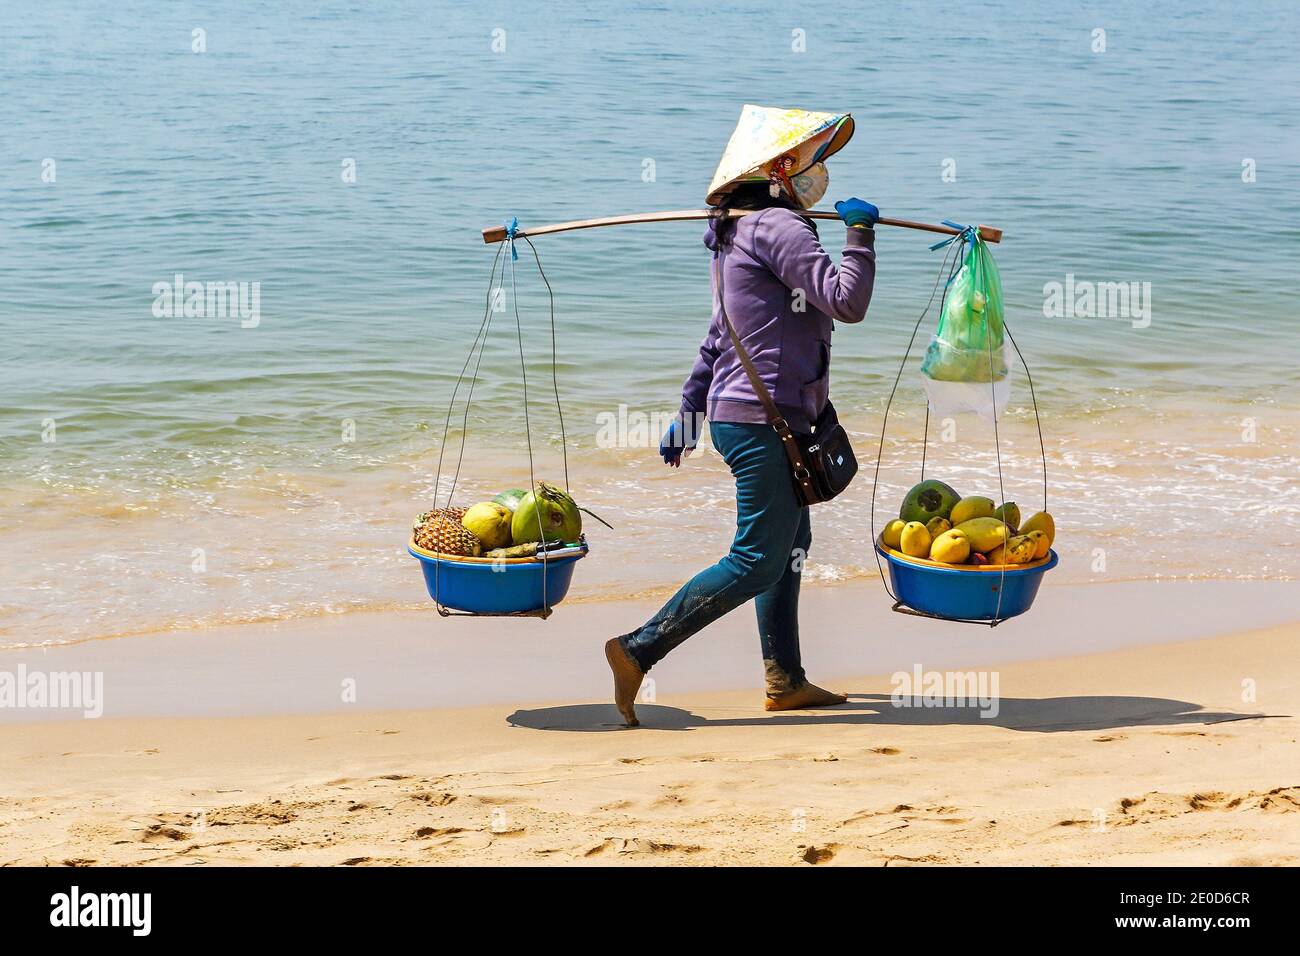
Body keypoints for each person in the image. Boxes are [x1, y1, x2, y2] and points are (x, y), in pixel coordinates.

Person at [604, 105, 878, 726]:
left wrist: (690, 409)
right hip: (763, 419)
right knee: (758, 556)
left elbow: (718, 337)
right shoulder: (780, 226)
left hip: (750, 415)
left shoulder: (736, 233)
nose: (823, 173)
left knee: (790, 548)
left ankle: (785, 680)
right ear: (782, 168)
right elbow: (845, 301)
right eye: (816, 161)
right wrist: (860, 237)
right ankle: (637, 649)